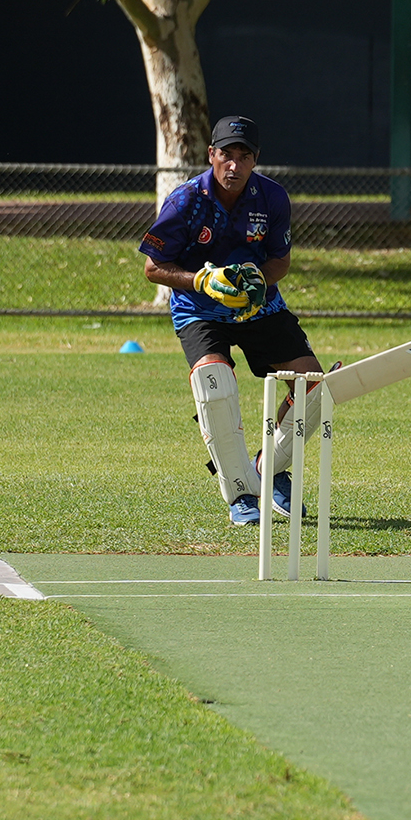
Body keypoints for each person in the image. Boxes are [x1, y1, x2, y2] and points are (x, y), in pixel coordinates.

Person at [141, 115, 324, 525]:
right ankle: (240, 493)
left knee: (313, 386)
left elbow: (280, 261)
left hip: (259, 308)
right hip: (199, 309)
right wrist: (202, 279)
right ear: (212, 155)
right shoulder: (186, 200)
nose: (234, 165)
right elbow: (154, 268)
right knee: (215, 385)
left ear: (255, 160)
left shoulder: (272, 198)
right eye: (226, 155)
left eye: (244, 156)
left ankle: (270, 469)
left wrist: (260, 279)